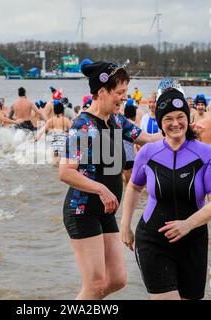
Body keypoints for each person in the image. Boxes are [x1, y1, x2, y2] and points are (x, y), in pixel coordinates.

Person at [59, 60, 162, 300]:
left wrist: (180, 132)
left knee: (117, 279)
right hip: (82, 210)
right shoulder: (82, 126)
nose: (124, 99)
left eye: (125, 93)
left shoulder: (115, 121)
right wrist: (102, 190)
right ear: (102, 92)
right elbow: (66, 172)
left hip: (105, 211)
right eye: (120, 93)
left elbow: (146, 137)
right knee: (95, 284)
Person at [121, 79, 211, 300]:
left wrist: (187, 225)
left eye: (180, 117)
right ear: (160, 123)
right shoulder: (148, 152)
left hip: (193, 240)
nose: (175, 123)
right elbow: (134, 186)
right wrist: (125, 225)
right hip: (153, 240)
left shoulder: (206, 154)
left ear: (188, 118)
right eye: (168, 118)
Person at [35, 100, 72, 167]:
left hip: (55, 141)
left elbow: (43, 129)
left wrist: (38, 136)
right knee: (61, 160)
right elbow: (73, 131)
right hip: (63, 141)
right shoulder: (66, 120)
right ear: (63, 110)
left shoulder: (51, 120)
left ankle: (55, 167)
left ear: (54, 111)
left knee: (55, 158)